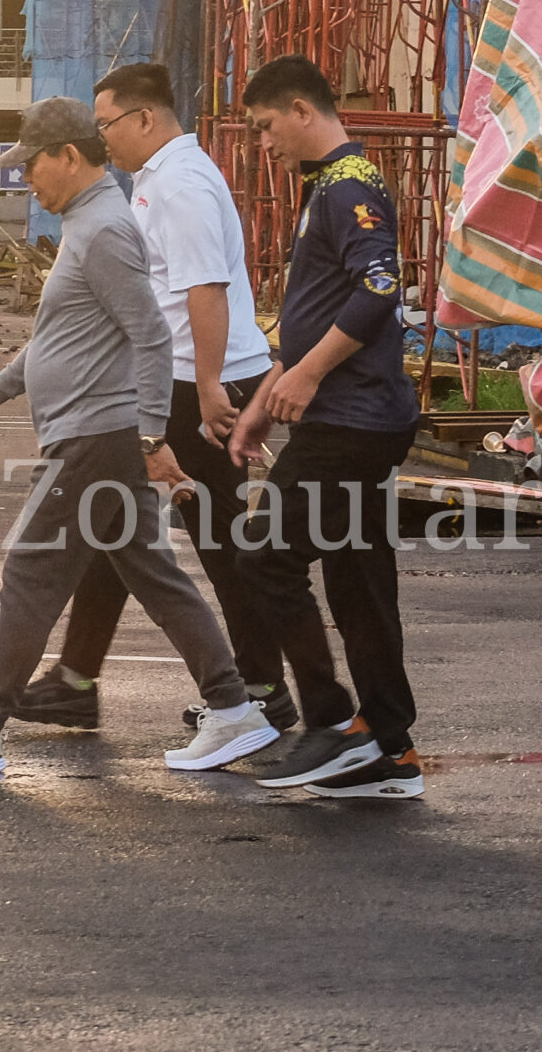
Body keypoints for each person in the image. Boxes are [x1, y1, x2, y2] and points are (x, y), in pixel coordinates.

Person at [0, 97, 278, 779]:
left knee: (31, 570)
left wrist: (153, 435)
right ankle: (234, 709)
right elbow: (57, 339)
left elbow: (152, 336)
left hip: (98, 433)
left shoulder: (103, 231)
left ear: (69, 156)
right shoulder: (85, 223)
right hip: (99, 431)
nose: (25, 180)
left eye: (31, 165)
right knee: (155, 576)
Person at [10, 63, 307, 737]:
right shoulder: (155, 180)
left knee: (217, 541)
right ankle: (76, 681)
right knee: (118, 527)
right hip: (176, 378)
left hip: (195, 383)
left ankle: (261, 689)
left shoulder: (182, 184)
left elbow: (206, 289)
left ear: (146, 119)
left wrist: (207, 390)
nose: (100, 138)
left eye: (107, 124)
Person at [224, 55, 433, 799]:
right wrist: (265, 397)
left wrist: (306, 376)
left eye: (265, 126)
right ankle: (389, 748)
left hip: (351, 418)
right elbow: (322, 305)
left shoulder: (349, 186)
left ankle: (331, 721)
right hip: (351, 413)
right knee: (358, 581)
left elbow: (381, 288)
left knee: (264, 557)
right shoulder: (329, 187)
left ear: (301, 111)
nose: (263, 142)